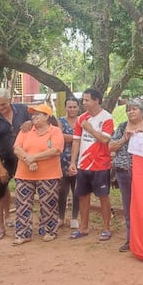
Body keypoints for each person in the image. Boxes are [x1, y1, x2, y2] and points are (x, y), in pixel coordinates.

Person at [109, 98, 143, 252]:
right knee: (128, 205)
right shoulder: (123, 127)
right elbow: (111, 146)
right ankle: (131, 239)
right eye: (128, 109)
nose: (130, 112)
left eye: (134, 109)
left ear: (142, 111)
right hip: (124, 171)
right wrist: (126, 138)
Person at [11, 104, 64, 245]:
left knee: (49, 204)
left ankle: (49, 231)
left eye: (38, 114)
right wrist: (29, 161)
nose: (34, 116)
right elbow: (17, 148)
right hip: (24, 174)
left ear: (47, 116)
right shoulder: (26, 129)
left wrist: (34, 158)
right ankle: (23, 233)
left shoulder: (55, 131)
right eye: (32, 114)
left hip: (49, 175)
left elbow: (56, 150)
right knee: (22, 205)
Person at [0, 87, 31, 241]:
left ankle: (24, 225)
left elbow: (44, 118)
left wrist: (30, 122)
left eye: (3, 105)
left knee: (26, 192)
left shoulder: (23, 110)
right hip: (5, 159)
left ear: (10, 100)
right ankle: (0, 227)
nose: (0, 108)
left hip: (25, 158)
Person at [69, 88, 115, 241]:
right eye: (83, 100)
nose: (84, 103)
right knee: (82, 195)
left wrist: (89, 128)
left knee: (103, 196)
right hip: (83, 165)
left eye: (87, 100)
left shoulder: (107, 118)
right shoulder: (81, 118)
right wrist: (73, 162)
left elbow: (105, 139)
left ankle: (107, 227)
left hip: (101, 164)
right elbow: (76, 141)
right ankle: (83, 227)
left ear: (97, 100)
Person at [59, 96, 81, 229]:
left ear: (78, 108)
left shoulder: (83, 120)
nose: (72, 109)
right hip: (62, 160)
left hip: (79, 160)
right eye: (69, 106)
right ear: (65, 107)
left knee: (77, 189)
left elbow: (86, 139)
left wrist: (71, 139)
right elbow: (59, 137)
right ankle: (60, 217)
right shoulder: (60, 120)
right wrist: (77, 138)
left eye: (74, 107)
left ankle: (74, 217)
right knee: (62, 190)